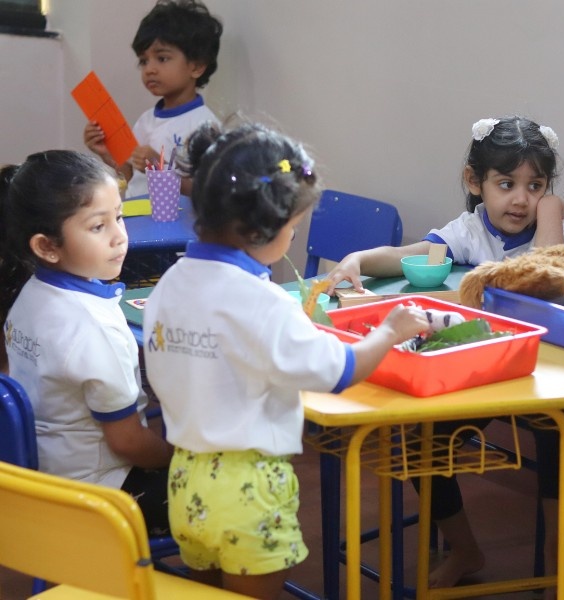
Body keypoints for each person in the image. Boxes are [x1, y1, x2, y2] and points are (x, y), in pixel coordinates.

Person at [142, 120, 430, 599]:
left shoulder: (170, 283)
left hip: (185, 476)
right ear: (262, 229)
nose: (293, 239)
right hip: (248, 486)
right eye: (293, 228)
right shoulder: (264, 302)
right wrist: (389, 331)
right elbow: (340, 371)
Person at [325, 115, 564, 589]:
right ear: (474, 182)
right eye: (506, 183)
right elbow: (410, 255)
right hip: (480, 374)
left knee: (559, 439)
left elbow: (547, 271)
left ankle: (560, 562)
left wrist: (553, 211)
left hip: (543, 374)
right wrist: (359, 259)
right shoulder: (468, 232)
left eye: (536, 185)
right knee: (423, 443)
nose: (521, 199)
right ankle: (466, 549)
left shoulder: (555, 230)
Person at [0, 150, 173, 537]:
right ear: (47, 246)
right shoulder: (92, 329)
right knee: (222, 499)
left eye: (120, 216)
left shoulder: (29, 293)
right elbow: (128, 442)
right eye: (98, 226)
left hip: (44, 477)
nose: (119, 236)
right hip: (100, 495)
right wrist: (176, 459)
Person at [83, 0, 222, 198]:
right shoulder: (145, 120)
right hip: (138, 214)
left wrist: (161, 168)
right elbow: (129, 177)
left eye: (162, 58)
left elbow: (207, 193)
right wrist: (106, 152)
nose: (149, 69)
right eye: (143, 61)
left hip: (177, 223)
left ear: (197, 67)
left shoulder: (205, 127)